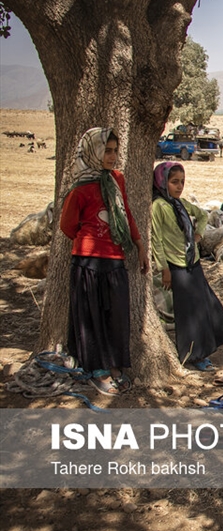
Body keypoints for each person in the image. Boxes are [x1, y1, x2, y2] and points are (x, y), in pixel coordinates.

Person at [59, 127, 149, 396]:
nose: (112, 156)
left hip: (115, 259)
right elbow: (67, 226)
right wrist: (92, 240)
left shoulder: (116, 180)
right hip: (87, 263)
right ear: (93, 152)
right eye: (106, 151)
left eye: (114, 151)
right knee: (92, 316)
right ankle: (98, 370)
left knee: (116, 316)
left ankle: (114, 365)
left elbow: (126, 212)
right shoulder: (80, 188)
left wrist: (140, 245)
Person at [151, 161, 223, 371]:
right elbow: (157, 240)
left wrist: (198, 233)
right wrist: (164, 268)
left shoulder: (180, 204)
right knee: (188, 311)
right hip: (177, 266)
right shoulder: (158, 206)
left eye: (182, 182)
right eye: (174, 182)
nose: (179, 187)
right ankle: (192, 355)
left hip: (192, 262)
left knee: (203, 305)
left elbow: (202, 214)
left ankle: (206, 348)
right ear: (163, 182)